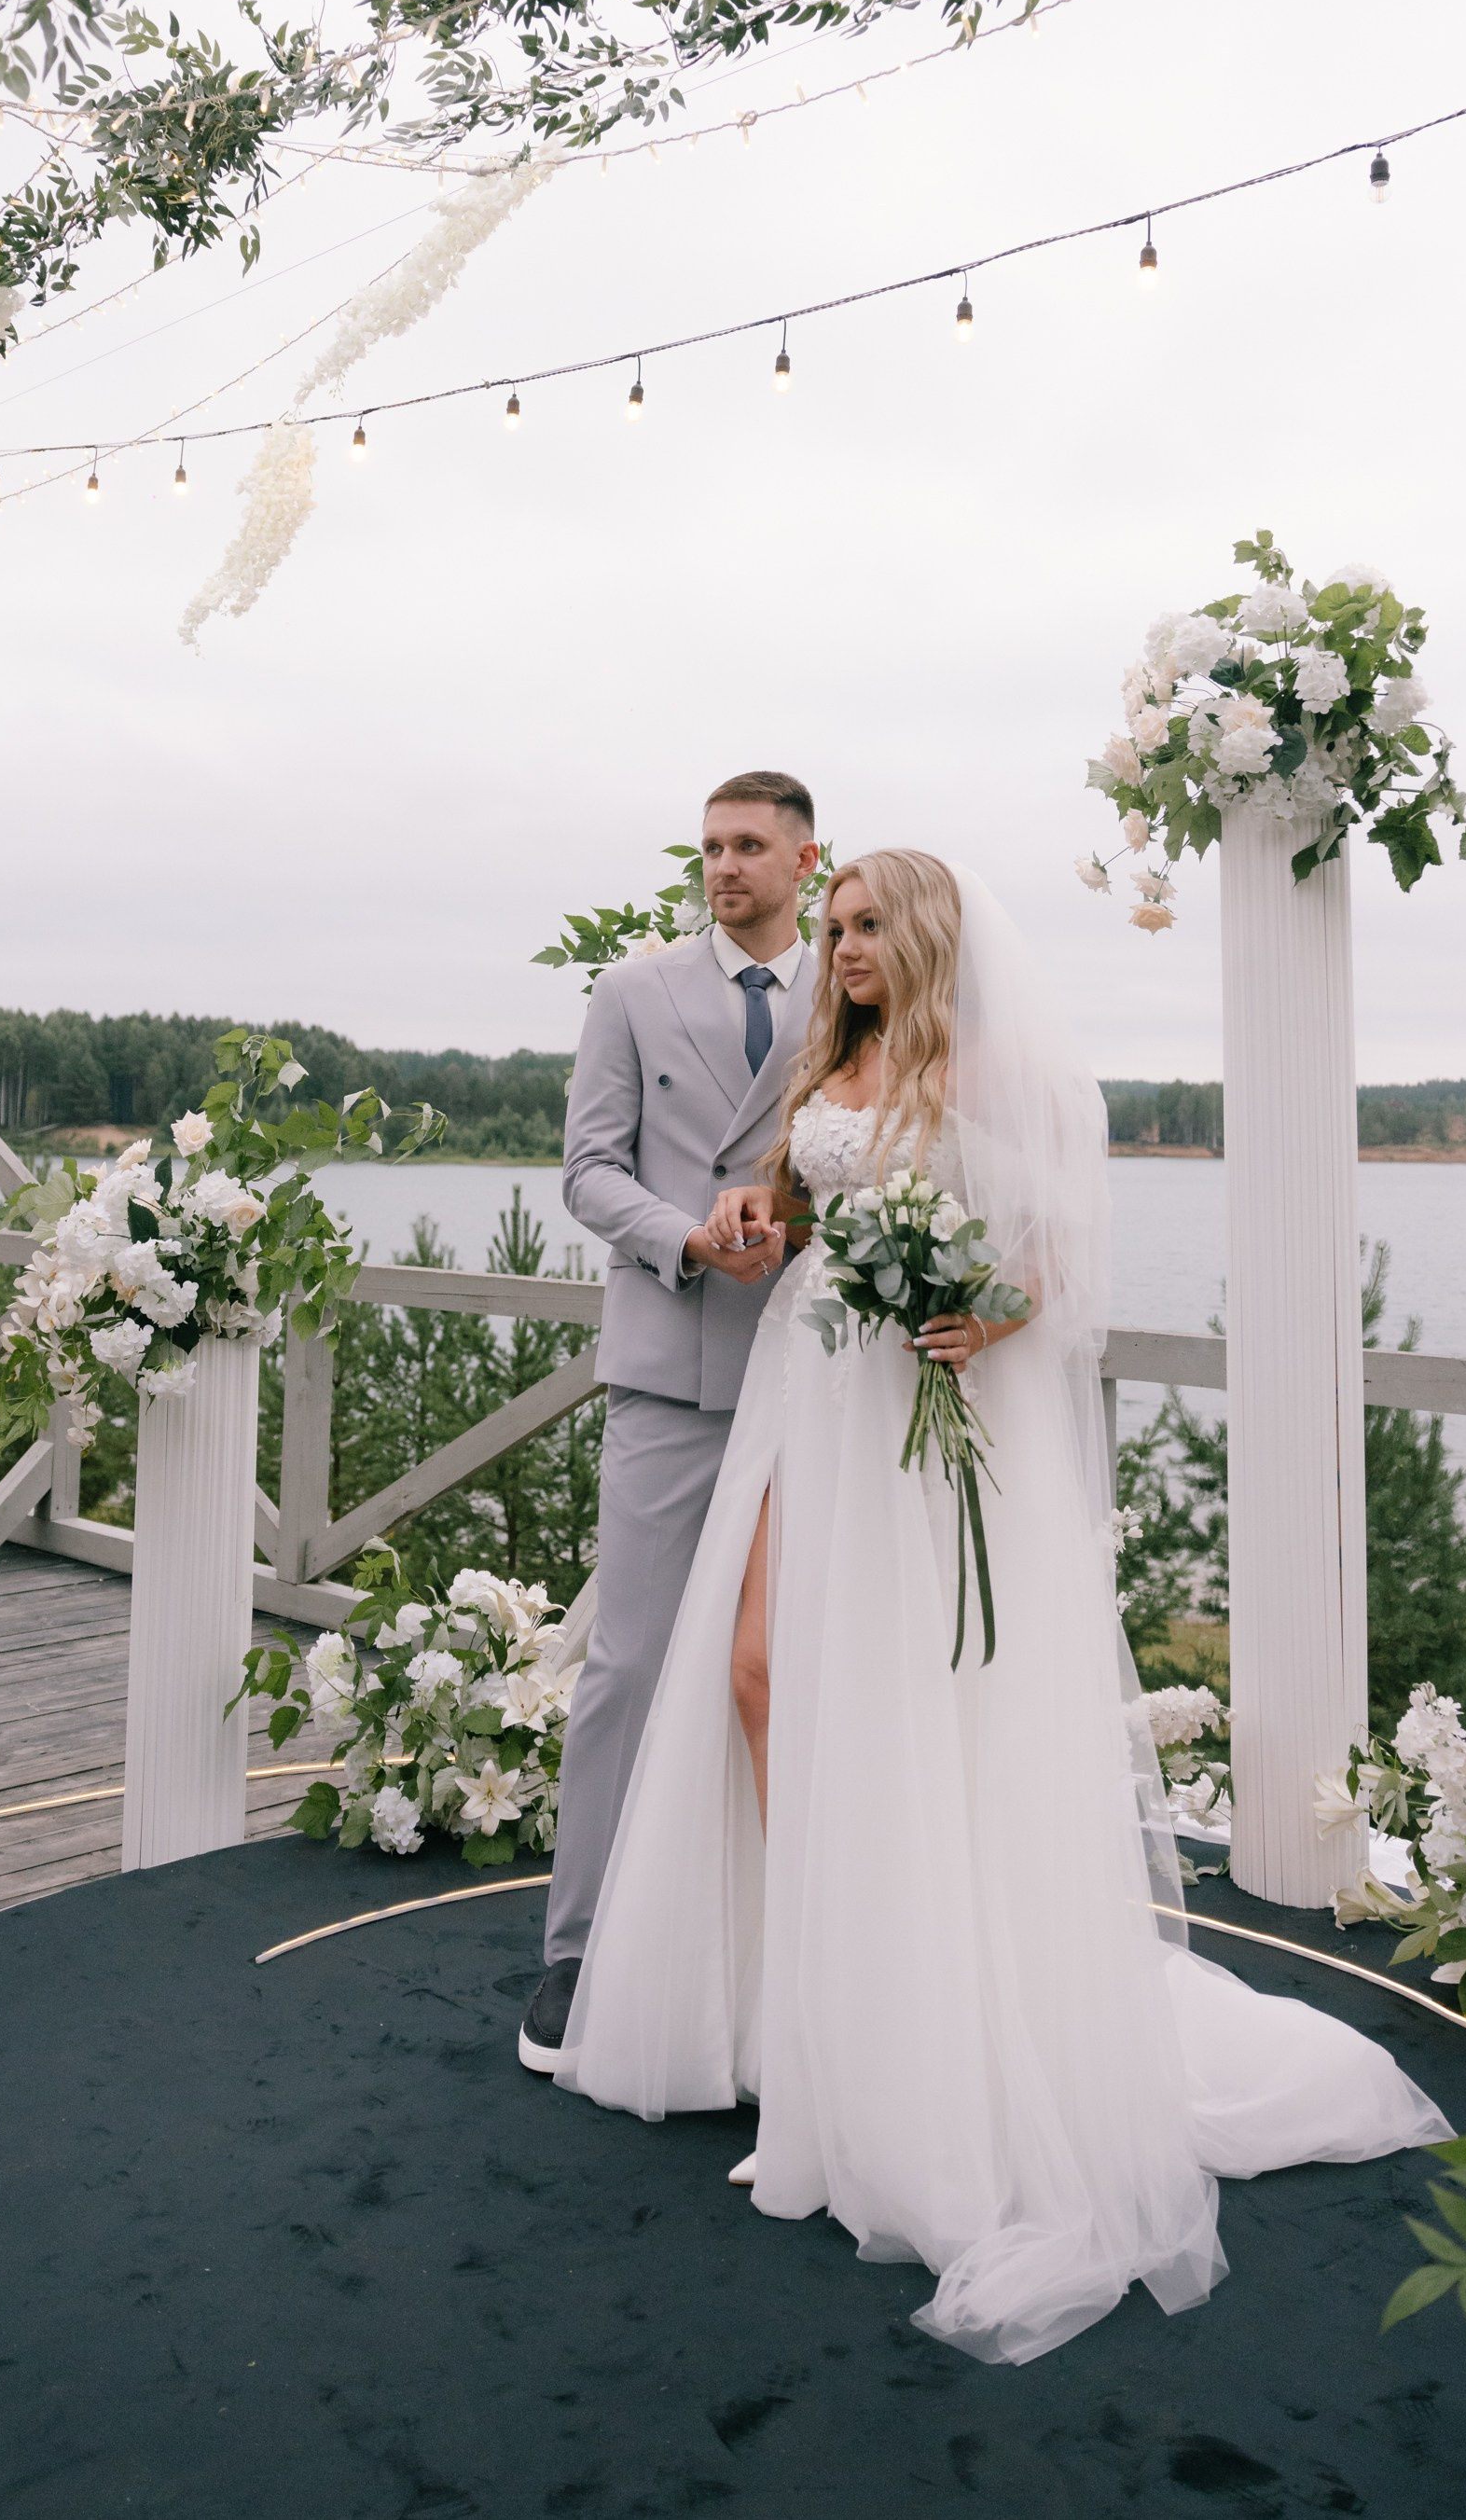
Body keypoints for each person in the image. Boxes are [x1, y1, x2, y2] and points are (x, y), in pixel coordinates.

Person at [553, 851, 1449, 2364]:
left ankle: (891, 2038)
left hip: (911, 1418)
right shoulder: (827, 1060)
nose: (835, 949)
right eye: (826, 926)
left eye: (857, 927)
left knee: (895, 1711)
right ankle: (801, 2008)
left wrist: (992, 1312)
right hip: (805, 1395)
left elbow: (1050, 1253)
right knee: (760, 1676)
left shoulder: (988, 1066)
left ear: (917, 935)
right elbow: (789, 1205)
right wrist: (760, 1227)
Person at [518, 771, 820, 2072]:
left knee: (798, 1668)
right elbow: (588, 1169)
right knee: (629, 1666)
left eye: (748, 846)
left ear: (808, 858)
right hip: (673, 1368)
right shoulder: (632, 993)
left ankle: (796, 1949)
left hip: (819, 1373)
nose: (722, 867)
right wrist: (683, 1239)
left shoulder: (853, 986)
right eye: (708, 847)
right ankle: (576, 1951)